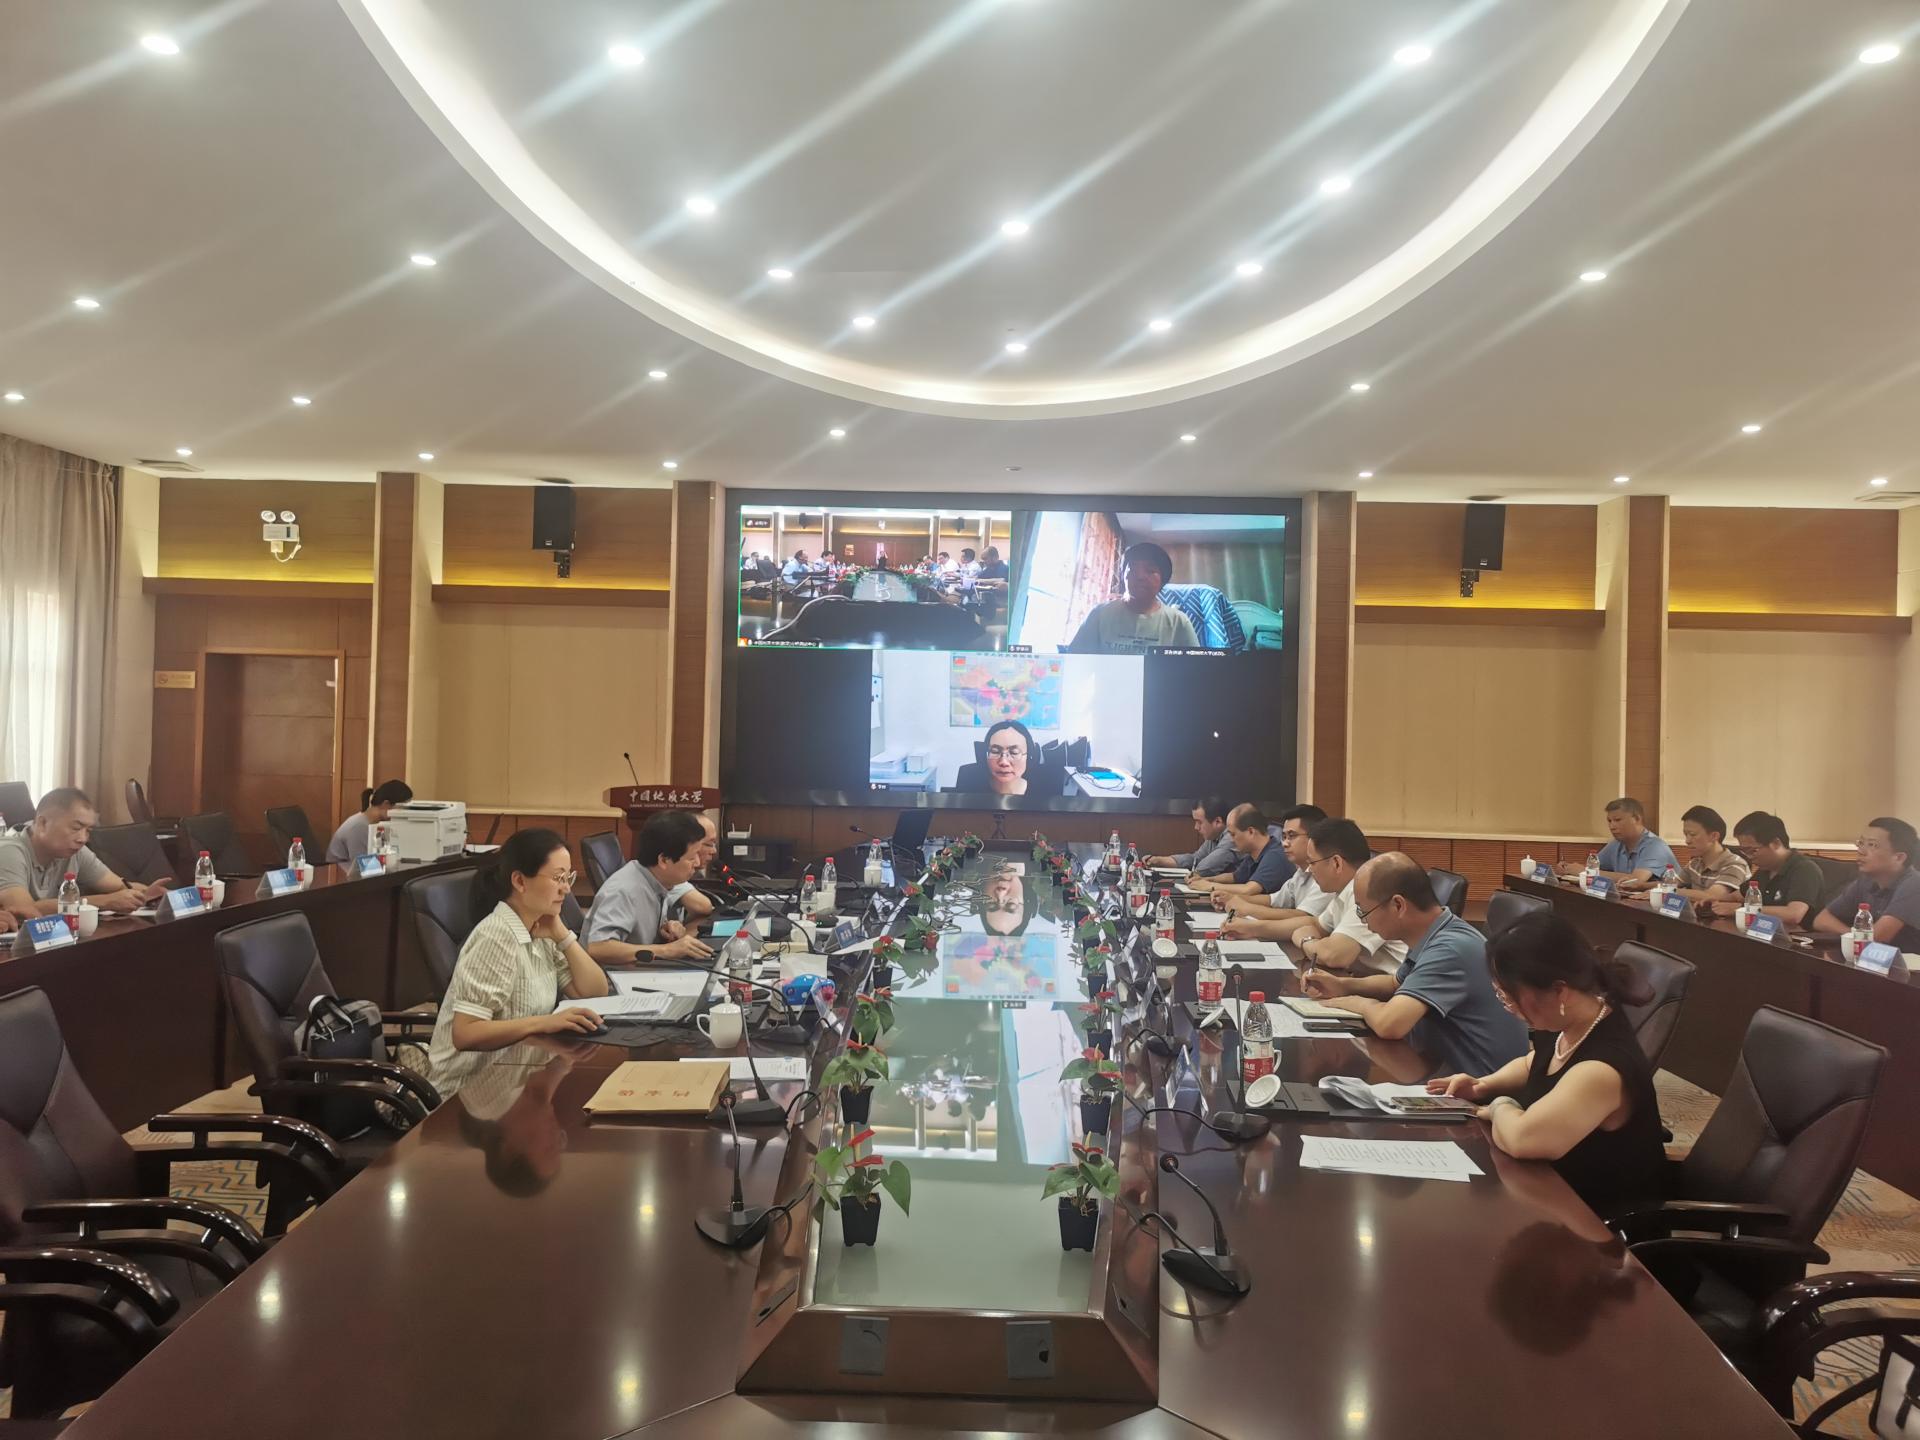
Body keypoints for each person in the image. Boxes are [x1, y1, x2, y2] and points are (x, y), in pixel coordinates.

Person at [1429, 911, 1665, 1216]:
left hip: (1604, 1226)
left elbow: (1522, 1140)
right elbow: (1535, 1062)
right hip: (1554, 1199)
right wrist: (1482, 1085)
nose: (1509, 1007)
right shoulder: (1573, 1021)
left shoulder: (1601, 1070)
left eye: (1510, 996)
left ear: (1559, 991)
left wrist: (1498, 1104)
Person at [1303, 854, 1528, 1075]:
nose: (1363, 921)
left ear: (1398, 905)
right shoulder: (1434, 931)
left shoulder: (1450, 948)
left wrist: (1355, 1002)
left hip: (1481, 1085)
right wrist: (1343, 985)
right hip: (1442, 1068)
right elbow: (1396, 983)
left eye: (1364, 911)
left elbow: (1389, 1025)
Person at [426, 829, 611, 1093]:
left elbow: (593, 992)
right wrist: (543, 1023)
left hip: (516, 1077)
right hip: (467, 1090)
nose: (567, 888)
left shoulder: (540, 927)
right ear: (520, 881)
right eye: (558, 878)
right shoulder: (496, 936)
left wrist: (561, 934)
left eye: (568, 877)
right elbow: (466, 1033)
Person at [0, 788, 169, 918]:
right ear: (43, 823)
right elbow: (24, 910)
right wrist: (105, 902)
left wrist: (146, 894)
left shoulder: (74, 852)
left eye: (88, 830)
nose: (83, 839)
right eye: (76, 828)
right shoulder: (9, 851)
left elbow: (119, 886)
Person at [583, 811, 716, 966]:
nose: (697, 863)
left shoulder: (659, 879)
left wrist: (667, 928)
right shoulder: (624, 890)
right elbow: (598, 948)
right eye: (692, 857)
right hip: (610, 977)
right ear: (664, 860)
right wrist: (667, 950)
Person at [1290, 817, 1408, 971]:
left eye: (1312, 863)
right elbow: (1317, 925)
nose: (1310, 869)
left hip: (1396, 983)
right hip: (1365, 979)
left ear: (1336, 863)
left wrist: (1305, 941)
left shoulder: (1369, 891)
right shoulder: (1344, 890)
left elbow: (1334, 955)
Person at [1221, 803, 1335, 939]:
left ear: (1314, 838)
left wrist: (1248, 909)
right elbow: (1273, 899)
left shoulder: (1327, 873)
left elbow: (1303, 917)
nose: (1285, 843)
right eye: (1284, 837)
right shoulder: (1301, 871)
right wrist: (1234, 899)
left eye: (1291, 836)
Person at [1066, 542, 1200, 655]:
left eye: (1150, 570)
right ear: (1123, 575)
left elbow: (1194, 667)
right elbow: (1075, 660)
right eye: (1132, 568)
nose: (1140, 576)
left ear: (1163, 580)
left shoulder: (1179, 622)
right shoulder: (1099, 614)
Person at [1813, 816, 1920, 951]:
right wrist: (1853, 936)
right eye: (1861, 843)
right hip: (1875, 959)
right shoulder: (1866, 881)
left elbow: (1877, 937)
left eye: (1872, 845)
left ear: (1899, 857)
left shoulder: (1914, 884)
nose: (1861, 851)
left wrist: (1855, 938)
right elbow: (1821, 920)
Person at [1711, 811, 1826, 926]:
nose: (1749, 857)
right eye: (1744, 851)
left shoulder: (1805, 869)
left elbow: (1794, 914)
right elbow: (1736, 897)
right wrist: (1713, 901)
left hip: (1796, 935)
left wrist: (1741, 909)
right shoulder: (1765, 870)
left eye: (1752, 851)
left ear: (1776, 843)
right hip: (1765, 931)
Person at [1637, 804, 1749, 901]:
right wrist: (1641, 886)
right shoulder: (1695, 863)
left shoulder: (1735, 864)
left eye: (1692, 834)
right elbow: (1671, 884)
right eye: (1686, 835)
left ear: (1714, 836)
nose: (1687, 841)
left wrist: (1667, 891)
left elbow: (1713, 896)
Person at [1555, 797, 1677, 885]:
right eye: (1609, 821)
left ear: (1637, 819)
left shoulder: (1655, 846)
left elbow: (1635, 880)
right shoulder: (1616, 844)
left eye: (1617, 820)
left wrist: (1585, 872)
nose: (1612, 826)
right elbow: (1592, 867)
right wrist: (1568, 868)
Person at [1191, 804, 1292, 899]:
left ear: (1251, 832)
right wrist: (1207, 880)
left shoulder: (1275, 855)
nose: (1231, 840)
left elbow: (1248, 890)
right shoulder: (1253, 853)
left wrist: (1210, 886)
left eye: (1233, 834)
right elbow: (1234, 877)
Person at [1143, 796, 1236, 876]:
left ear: (1218, 822)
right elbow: (1195, 859)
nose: (1196, 827)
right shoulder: (1213, 836)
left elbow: (1205, 868)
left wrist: (1191, 875)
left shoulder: (1232, 838)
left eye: (1199, 822)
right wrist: (1159, 861)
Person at [325, 779, 413, 865]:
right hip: (342, 872)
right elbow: (366, 865)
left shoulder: (371, 824)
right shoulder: (358, 827)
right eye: (402, 809)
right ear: (386, 804)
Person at [978, 719, 1036, 797]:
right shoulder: (971, 788)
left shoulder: (1042, 792)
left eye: (1014, 752)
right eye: (995, 751)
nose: (1004, 762)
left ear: (1028, 757)